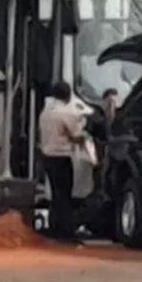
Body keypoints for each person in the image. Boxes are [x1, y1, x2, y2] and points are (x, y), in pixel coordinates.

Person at [38, 81, 86, 244]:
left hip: (48, 155)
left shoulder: (45, 112)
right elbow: (76, 135)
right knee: (65, 195)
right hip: (62, 156)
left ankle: (54, 228)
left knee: (56, 194)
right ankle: (67, 232)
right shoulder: (65, 113)